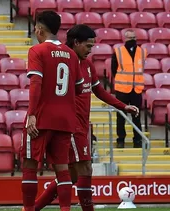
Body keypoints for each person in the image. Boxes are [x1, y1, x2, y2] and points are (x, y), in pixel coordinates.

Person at [33, 24, 140, 211]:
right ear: (76, 42)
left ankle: (33, 208)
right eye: (88, 46)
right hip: (70, 125)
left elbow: (98, 90)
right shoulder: (64, 61)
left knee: (73, 175)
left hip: (82, 126)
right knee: (84, 170)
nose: (90, 51)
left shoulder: (87, 65)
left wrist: (123, 106)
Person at [20, 11, 85, 211]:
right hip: (65, 119)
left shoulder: (37, 51)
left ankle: (29, 209)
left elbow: (36, 84)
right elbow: (79, 88)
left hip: (41, 117)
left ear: (39, 29)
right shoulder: (72, 54)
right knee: (63, 169)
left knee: (30, 166)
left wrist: (31, 114)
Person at [111, 30, 147, 148]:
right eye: (129, 38)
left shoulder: (142, 52)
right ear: (124, 39)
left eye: (133, 37)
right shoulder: (118, 52)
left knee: (136, 115)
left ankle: (137, 140)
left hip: (136, 89)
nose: (131, 40)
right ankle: (121, 139)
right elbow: (114, 69)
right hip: (122, 89)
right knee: (121, 116)